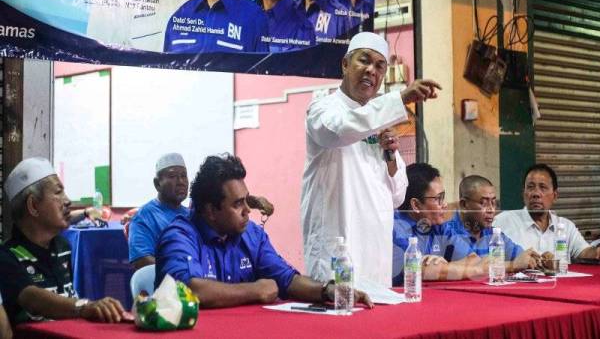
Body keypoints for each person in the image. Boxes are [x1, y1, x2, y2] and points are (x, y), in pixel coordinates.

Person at [301, 31, 441, 287]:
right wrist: (399, 99)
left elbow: (397, 196)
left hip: (375, 253)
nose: (371, 71)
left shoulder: (380, 121)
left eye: (379, 66)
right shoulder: (323, 108)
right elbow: (341, 130)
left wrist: (390, 155)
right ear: (345, 64)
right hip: (337, 248)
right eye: (364, 61)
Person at [155, 154, 373, 309]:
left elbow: (286, 279)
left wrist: (328, 290)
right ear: (211, 210)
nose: (248, 210)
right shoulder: (179, 236)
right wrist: (255, 290)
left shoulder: (251, 234)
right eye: (238, 204)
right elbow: (189, 291)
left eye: (246, 200)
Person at [0, 158, 126, 325]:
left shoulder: (62, 247)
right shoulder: (7, 257)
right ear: (33, 206)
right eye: (58, 193)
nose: (67, 201)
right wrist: (84, 307)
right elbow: (31, 297)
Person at [129, 152, 275, 270]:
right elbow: (142, 262)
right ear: (157, 184)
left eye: (183, 175)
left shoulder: (192, 213)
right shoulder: (144, 218)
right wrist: (182, 268)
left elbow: (222, 202)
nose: (181, 181)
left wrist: (255, 202)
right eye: (173, 176)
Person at [392, 163, 484, 285]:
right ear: (416, 205)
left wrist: (445, 265)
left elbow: (474, 260)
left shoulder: (439, 226)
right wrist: (441, 269)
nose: (445, 204)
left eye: (443, 197)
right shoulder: (396, 228)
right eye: (438, 199)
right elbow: (420, 271)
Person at [494, 163, 600, 261]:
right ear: (523, 194)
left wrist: (597, 251)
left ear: (555, 195)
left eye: (543, 187)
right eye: (530, 187)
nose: (536, 193)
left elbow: (585, 252)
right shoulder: (503, 222)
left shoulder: (566, 227)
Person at [447, 175, 538, 271]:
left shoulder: (493, 234)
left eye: (494, 203)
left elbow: (521, 258)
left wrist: (538, 260)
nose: (491, 210)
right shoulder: (446, 233)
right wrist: (513, 265)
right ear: (464, 205)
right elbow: (475, 268)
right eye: (484, 203)